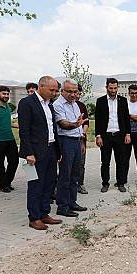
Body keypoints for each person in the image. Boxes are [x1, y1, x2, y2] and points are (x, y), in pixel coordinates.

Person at [18, 76, 63, 230]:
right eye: (52, 90)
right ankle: (34, 217)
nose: (54, 93)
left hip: (50, 149)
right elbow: (24, 131)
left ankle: (44, 213)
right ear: (41, 86)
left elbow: (52, 129)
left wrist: (58, 151)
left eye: (56, 90)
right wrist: (29, 153)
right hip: (34, 153)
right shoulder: (27, 103)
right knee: (35, 184)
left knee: (49, 183)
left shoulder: (49, 105)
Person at [53, 79, 89, 218]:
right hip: (65, 141)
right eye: (69, 91)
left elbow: (78, 127)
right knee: (65, 175)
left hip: (76, 141)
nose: (73, 94)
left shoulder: (75, 105)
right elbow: (63, 124)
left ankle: (72, 202)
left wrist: (81, 141)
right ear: (62, 91)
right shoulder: (58, 105)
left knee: (75, 174)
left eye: (75, 92)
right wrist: (76, 124)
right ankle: (62, 206)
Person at [95, 78, 131, 193]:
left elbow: (126, 119)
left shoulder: (123, 101)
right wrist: (98, 135)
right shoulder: (100, 101)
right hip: (106, 136)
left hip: (120, 135)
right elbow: (98, 120)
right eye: (111, 88)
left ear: (117, 88)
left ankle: (120, 183)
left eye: (115, 88)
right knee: (105, 162)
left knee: (121, 161)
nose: (113, 90)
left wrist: (127, 134)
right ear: (106, 87)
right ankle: (105, 183)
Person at [75, 83, 90, 194]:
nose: (77, 95)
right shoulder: (62, 105)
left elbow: (86, 123)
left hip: (81, 139)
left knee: (81, 163)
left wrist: (82, 134)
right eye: (76, 92)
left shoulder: (81, 105)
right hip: (68, 139)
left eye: (79, 93)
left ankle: (80, 184)